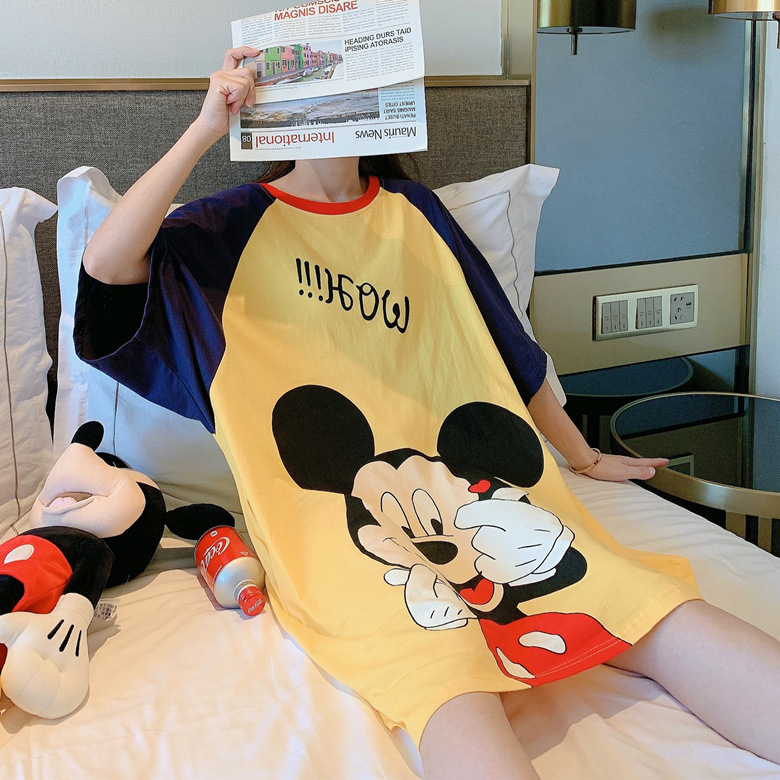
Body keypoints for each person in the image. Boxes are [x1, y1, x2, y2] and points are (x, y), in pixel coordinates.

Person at [78, 48, 780, 780]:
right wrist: (205, 129)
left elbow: (506, 349)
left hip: (482, 492)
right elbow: (106, 270)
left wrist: (583, 456)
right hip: (333, 524)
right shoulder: (225, 229)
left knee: (640, 602)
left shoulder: (416, 212)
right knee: (442, 665)